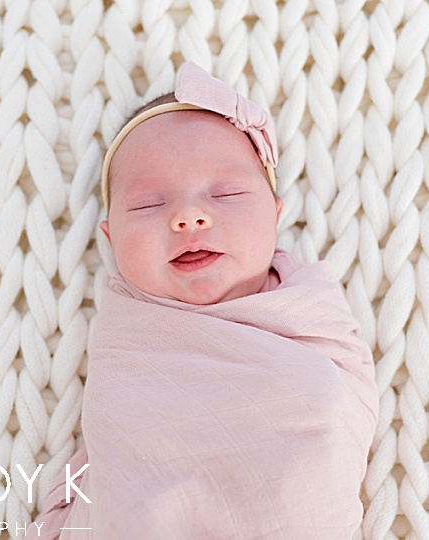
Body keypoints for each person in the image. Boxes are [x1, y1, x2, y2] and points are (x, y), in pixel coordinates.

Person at [32, 62, 378, 539]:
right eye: (150, 204)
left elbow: (335, 410)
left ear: (275, 217)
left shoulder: (312, 315)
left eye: (227, 193)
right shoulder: (130, 334)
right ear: (111, 239)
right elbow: (122, 457)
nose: (189, 216)